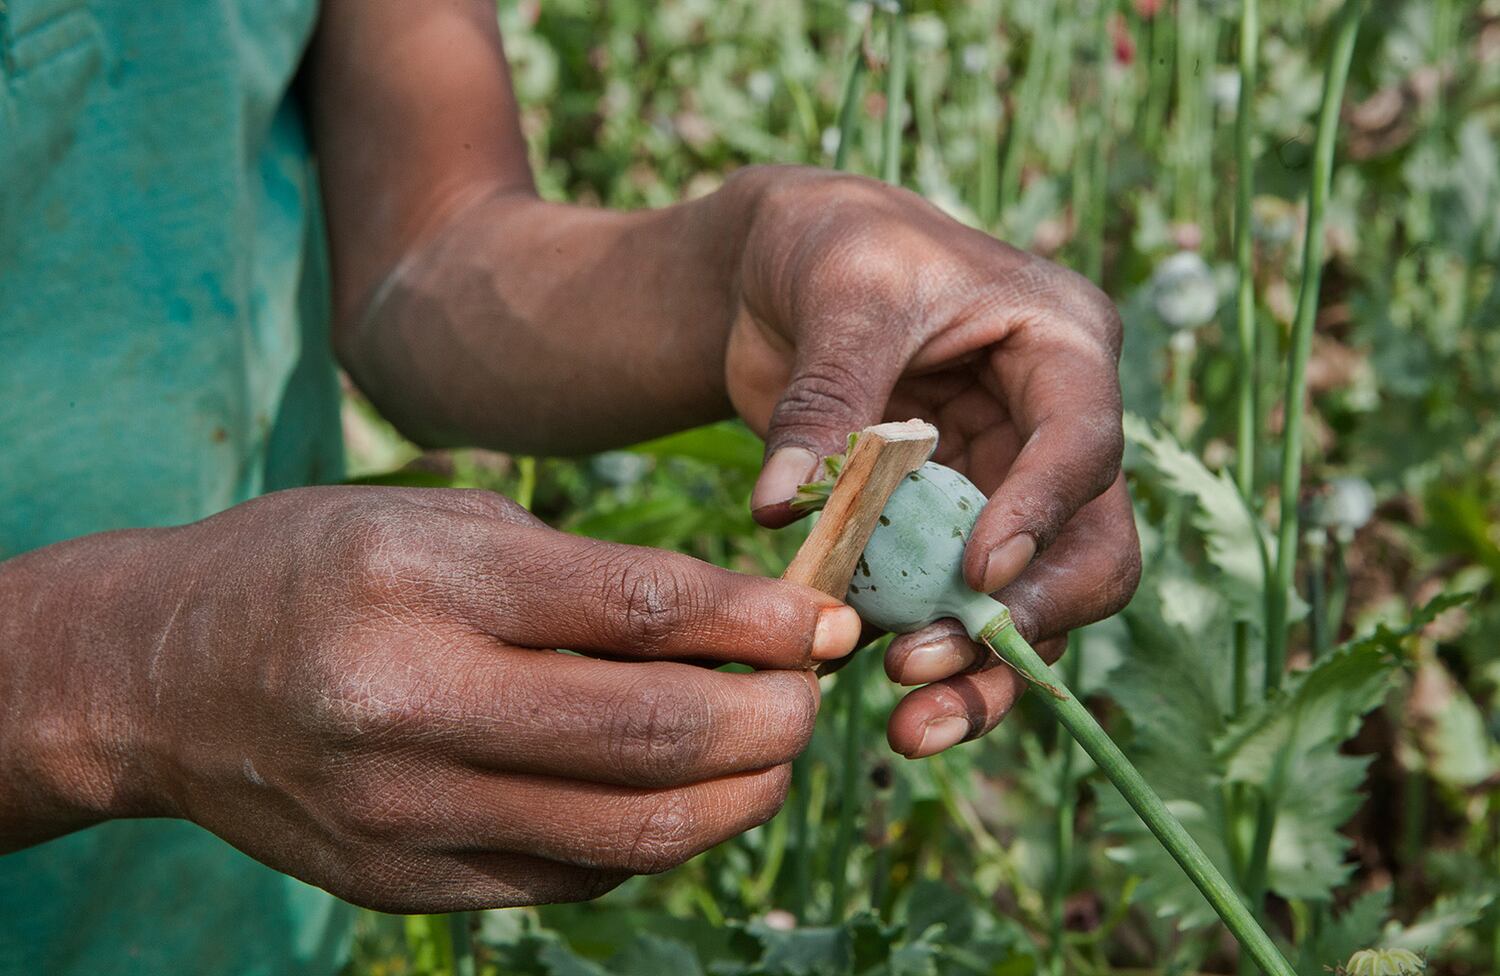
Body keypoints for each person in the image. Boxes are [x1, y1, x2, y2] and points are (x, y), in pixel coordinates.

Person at [0, 1, 1140, 972]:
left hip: (246, 911)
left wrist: (739, 267)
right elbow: (134, 675)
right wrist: (122, 672)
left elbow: (423, 247)